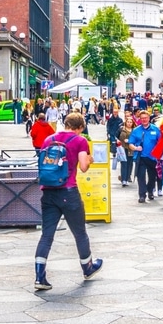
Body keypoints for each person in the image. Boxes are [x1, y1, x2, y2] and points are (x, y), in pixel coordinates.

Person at [34, 112, 103, 291]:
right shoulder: (80, 140)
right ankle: (87, 267)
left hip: (48, 192)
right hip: (68, 191)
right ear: (80, 127)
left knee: (46, 235)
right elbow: (83, 167)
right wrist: (90, 159)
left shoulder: (49, 139)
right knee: (79, 232)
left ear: (65, 123)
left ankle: (39, 277)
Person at [126, 109, 160, 203]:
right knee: (141, 176)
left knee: (152, 176)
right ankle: (142, 195)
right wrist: (136, 148)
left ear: (149, 118)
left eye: (146, 118)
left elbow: (161, 142)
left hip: (153, 157)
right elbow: (130, 144)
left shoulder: (155, 129)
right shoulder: (136, 130)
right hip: (140, 157)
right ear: (139, 119)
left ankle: (150, 191)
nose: (144, 120)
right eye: (142, 118)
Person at [116, 114, 136, 186]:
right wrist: (118, 141)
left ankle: (127, 178)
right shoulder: (121, 129)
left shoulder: (135, 130)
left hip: (131, 149)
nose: (129, 123)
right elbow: (116, 136)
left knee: (129, 164)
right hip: (122, 148)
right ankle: (123, 180)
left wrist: (130, 141)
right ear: (126, 122)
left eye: (131, 122)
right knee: (124, 164)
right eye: (128, 122)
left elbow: (137, 139)